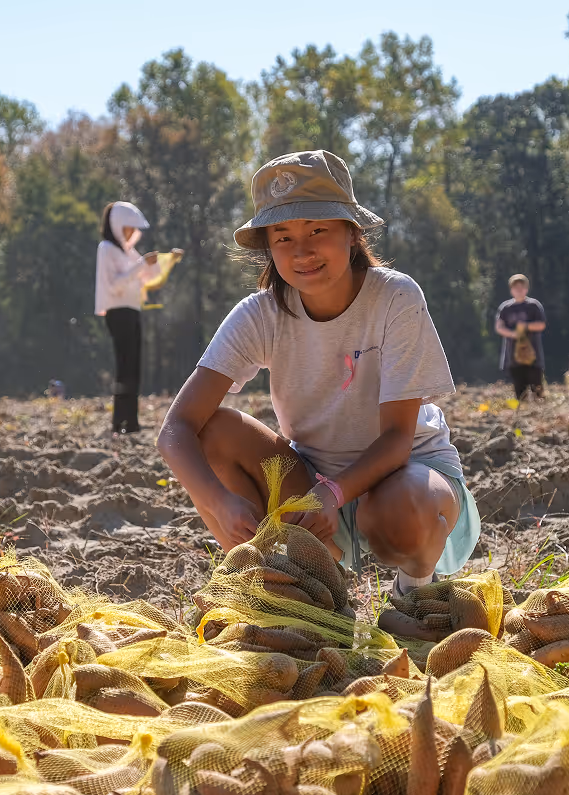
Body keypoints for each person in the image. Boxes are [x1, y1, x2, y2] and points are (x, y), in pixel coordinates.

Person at [157, 150, 481, 597]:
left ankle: (415, 590)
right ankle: (302, 585)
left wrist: (334, 494)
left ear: (351, 233)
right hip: (309, 483)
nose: (302, 251)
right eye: (283, 236)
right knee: (215, 431)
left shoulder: (395, 298)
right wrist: (219, 501)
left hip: (404, 476)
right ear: (268, 246)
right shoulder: (259, 315)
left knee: (403, 510)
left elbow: (396, 441)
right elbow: (176, 429)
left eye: (317, 230)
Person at [94, 201, 182, 434]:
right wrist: (142, 263)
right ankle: (118, 421)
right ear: (116, 225)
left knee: (134, 367)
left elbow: (146, 276)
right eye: (128, 228)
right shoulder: (106, 249)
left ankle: (130, 421)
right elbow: (114, 284)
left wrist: (166, 260)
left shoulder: (128, 252)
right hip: (117, 312)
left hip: (132, 311)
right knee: (124, 366)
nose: (132, 233)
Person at [494, 274, 546, 401]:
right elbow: (499, 327)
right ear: (511, 290)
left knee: (537, 390)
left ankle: (540, 414)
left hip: (533, 357)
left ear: (526, 289)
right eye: (515, 287)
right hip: (514, 358)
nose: (518, 290)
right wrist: (513, 334)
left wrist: (525, 326)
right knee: (520, 393)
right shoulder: (506, 308)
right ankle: (524, 415)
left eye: (521, 287)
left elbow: (541, 325)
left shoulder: (533, 305)